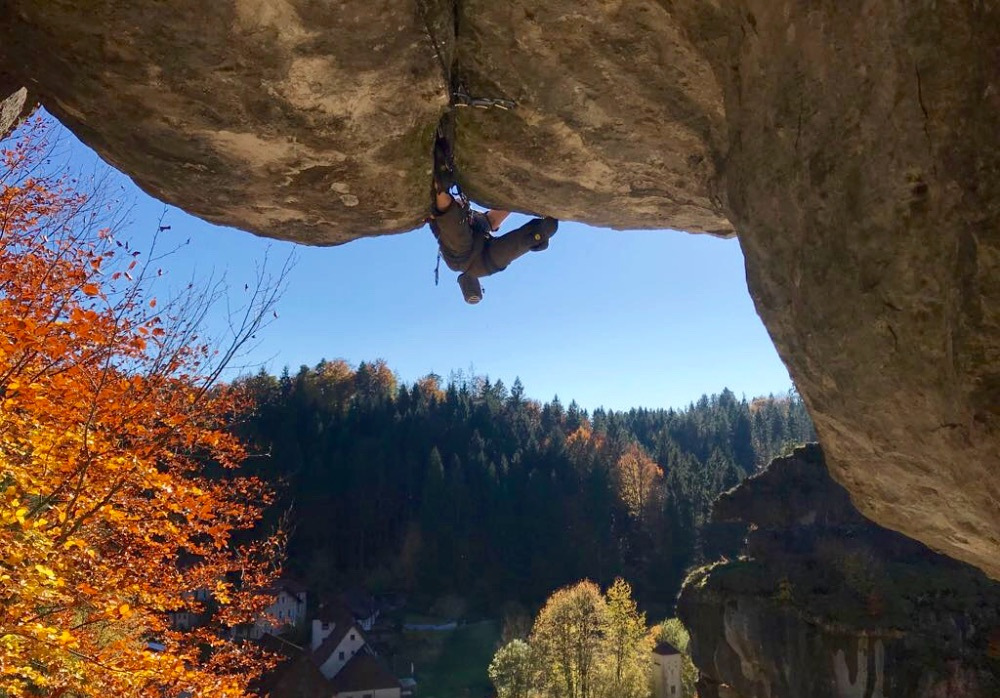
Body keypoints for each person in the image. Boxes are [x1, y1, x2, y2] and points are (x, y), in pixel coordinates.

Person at [429, 131, 558, 304]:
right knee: (547, 228)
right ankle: (540, 232)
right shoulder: (475, 220)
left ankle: (441, 184)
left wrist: (441, 185)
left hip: (460, 256)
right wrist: (539, 232)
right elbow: (494, 219)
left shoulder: (459, 220)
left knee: (454, 223)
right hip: (484, 260)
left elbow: (449, 214)